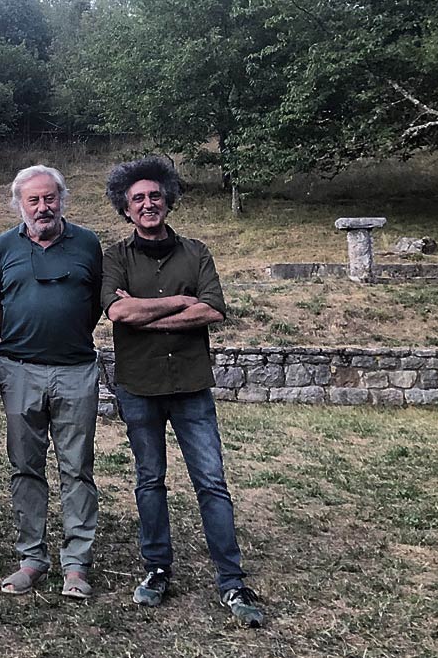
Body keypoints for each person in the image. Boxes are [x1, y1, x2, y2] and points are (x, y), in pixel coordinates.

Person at [101, 157, 265, 627]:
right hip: (139, 386)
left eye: (155, 196)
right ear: (125, 208)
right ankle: (156, 569)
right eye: (138, 199)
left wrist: (147, 312)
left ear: (168, 200)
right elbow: (117, 314)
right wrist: (178, 301)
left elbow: (213, 311)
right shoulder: (115, 257)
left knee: (211, 482)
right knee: (149, 480)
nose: (148, 204)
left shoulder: (197, 252)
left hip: (192, 386)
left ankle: (231, 581)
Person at [0, 165, 103, 599]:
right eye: (33, 200)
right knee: (25, 467)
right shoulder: (2, 247)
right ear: (19, 205)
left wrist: (62, 336)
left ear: (62, 199)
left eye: (49, 198)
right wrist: (22, 339)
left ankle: (76, 565)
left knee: (77, 468)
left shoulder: (87, 244)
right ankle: (31, 558)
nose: (43, 207)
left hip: (75, 370)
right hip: (19, 371)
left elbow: (93, 306)